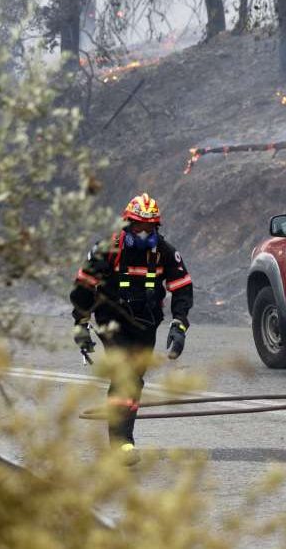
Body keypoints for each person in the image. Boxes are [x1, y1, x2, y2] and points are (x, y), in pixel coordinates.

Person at [69, 193, 193, 461]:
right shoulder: (107, 249)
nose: (143, 232)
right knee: (124, 375)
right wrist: (80, 323)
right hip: (111, 320)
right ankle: (122, 443)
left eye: (149, 227)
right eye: (138, 226)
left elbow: (182, 288)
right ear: (127, 224)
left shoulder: (165, 252)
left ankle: (123, 438)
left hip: (146, 323)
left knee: (134, 379)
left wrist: (179, 325)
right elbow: (83, 288)